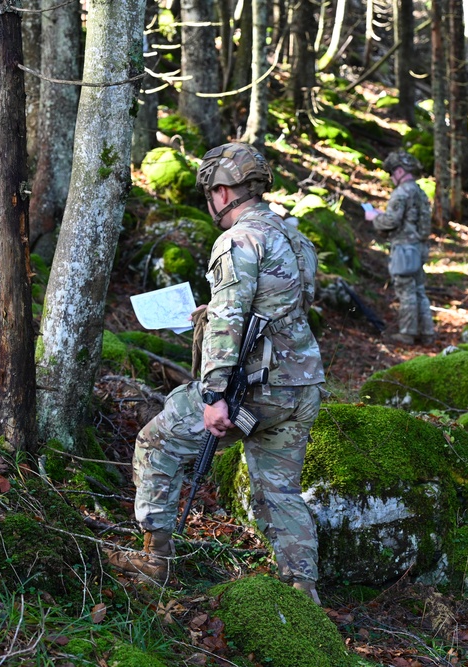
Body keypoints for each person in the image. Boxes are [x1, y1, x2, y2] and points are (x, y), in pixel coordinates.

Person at [109, 142, 326, 604]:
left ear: (222, 191)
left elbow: (230, 319)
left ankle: (155, 560)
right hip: (301, 384)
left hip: (255, 386)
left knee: (155, 442)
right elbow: (286, 304)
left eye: (210, 192)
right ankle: (302, 590)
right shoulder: (293, 236)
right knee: (279, 491)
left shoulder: (238, 239)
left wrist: (213, 396)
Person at [364, 150, 435, 345]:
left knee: (407, 291)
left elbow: (391, 221)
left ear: (400, 171)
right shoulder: (419, 191)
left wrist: (374, 217)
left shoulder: (402, 192)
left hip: (404, 248)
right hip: (418, 247)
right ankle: (427, 333)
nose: (391, 177)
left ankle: (408, 332)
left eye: (392, 172)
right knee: (419, 290)